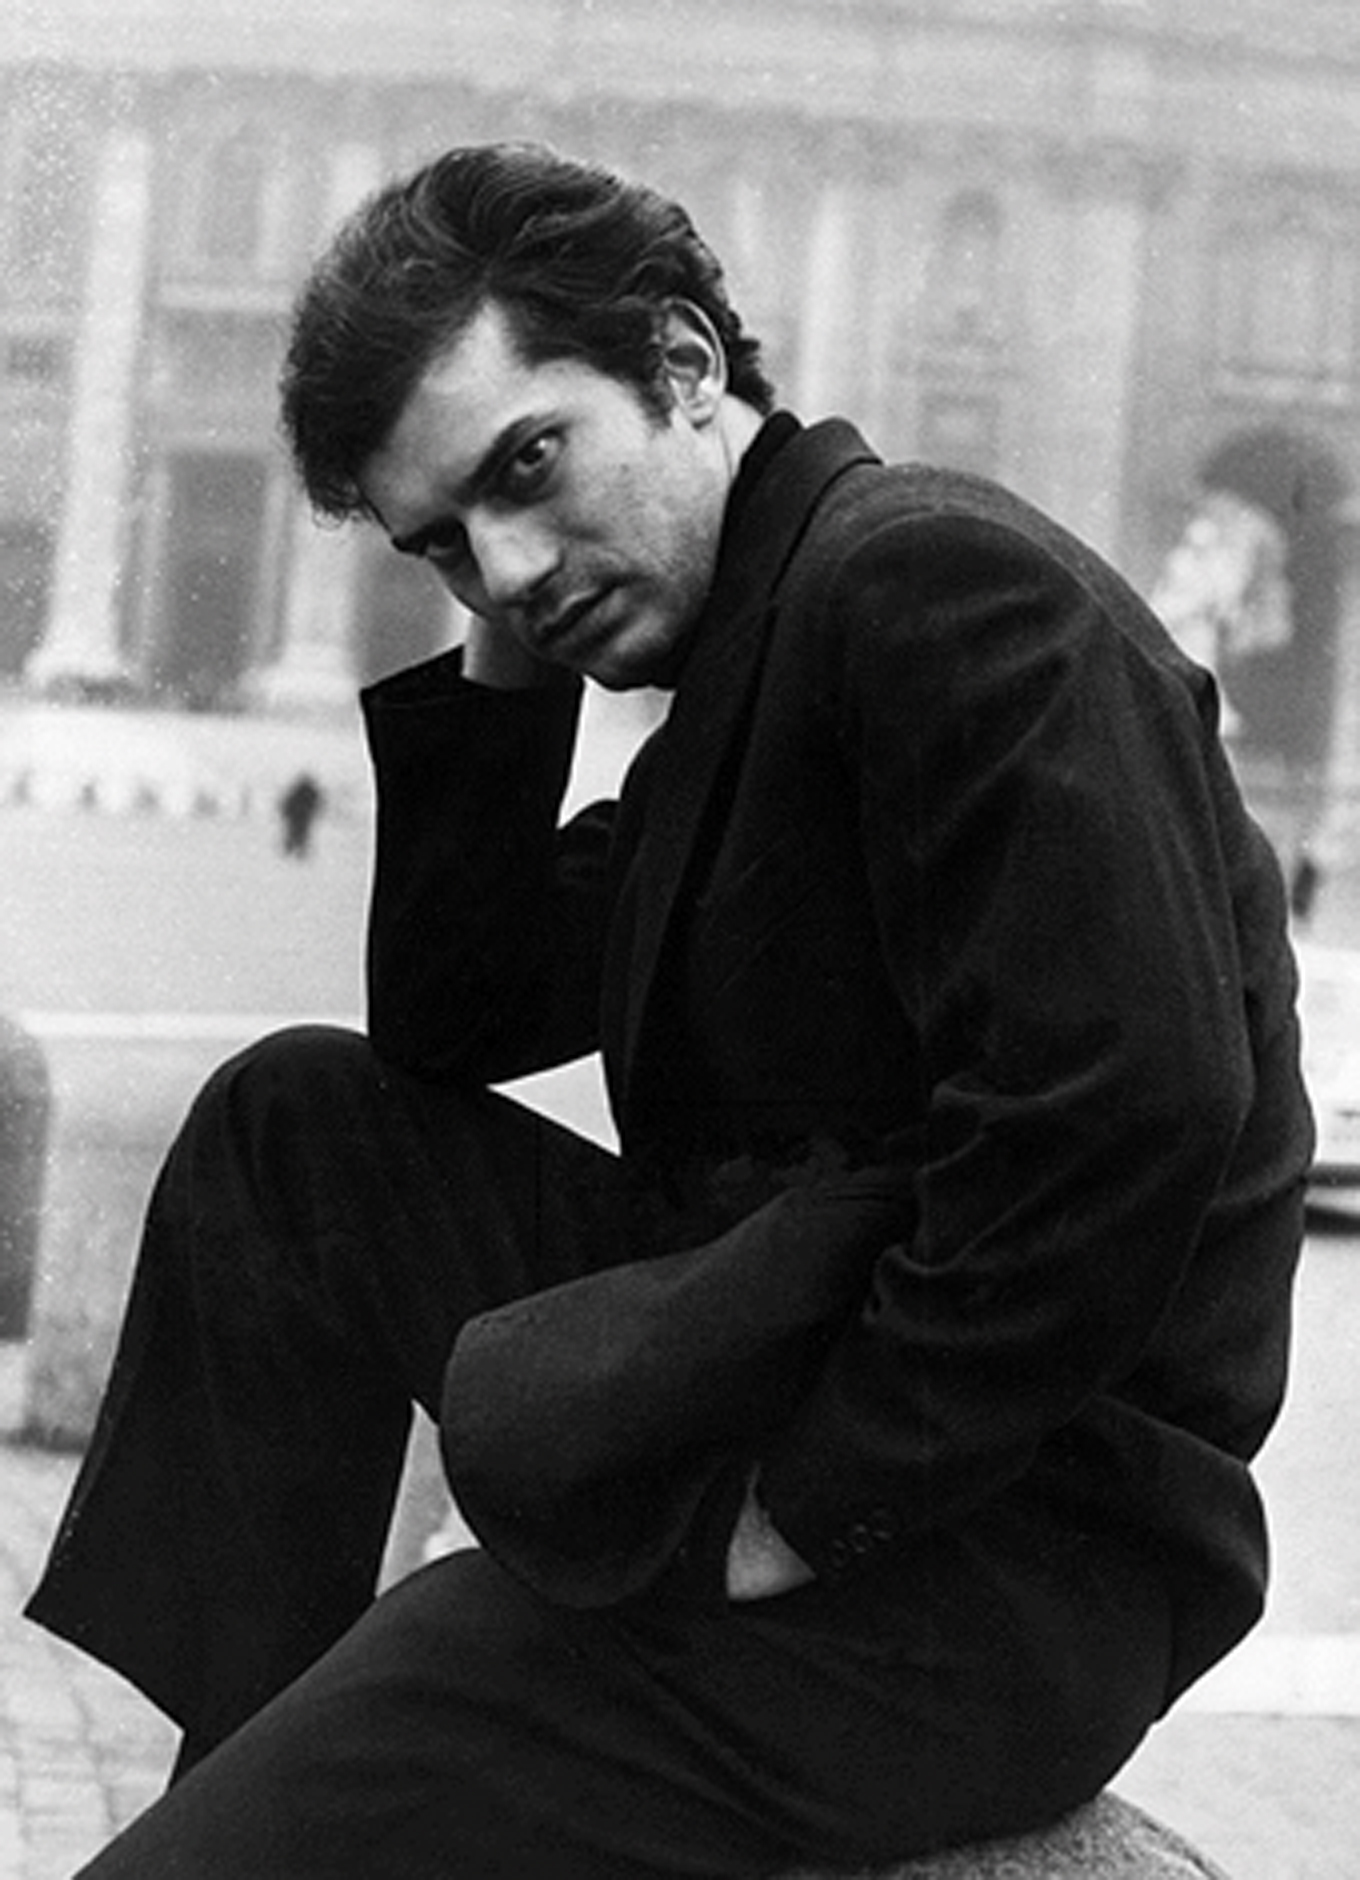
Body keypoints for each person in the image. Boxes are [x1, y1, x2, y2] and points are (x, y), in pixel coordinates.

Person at [27, 143, 1312, 1878]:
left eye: (530, 465)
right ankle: (256, 1759)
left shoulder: (933, 588)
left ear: (686, 362)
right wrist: (514, 605)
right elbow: (453, 1012)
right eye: (444, 542)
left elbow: (1126, 1116)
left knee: (450, 1660)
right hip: (773, 1351)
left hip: (1002, 1562)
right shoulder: (760, 643)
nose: (508, 566)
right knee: (297, 1131)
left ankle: (276, 1812)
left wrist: (805, 1514)